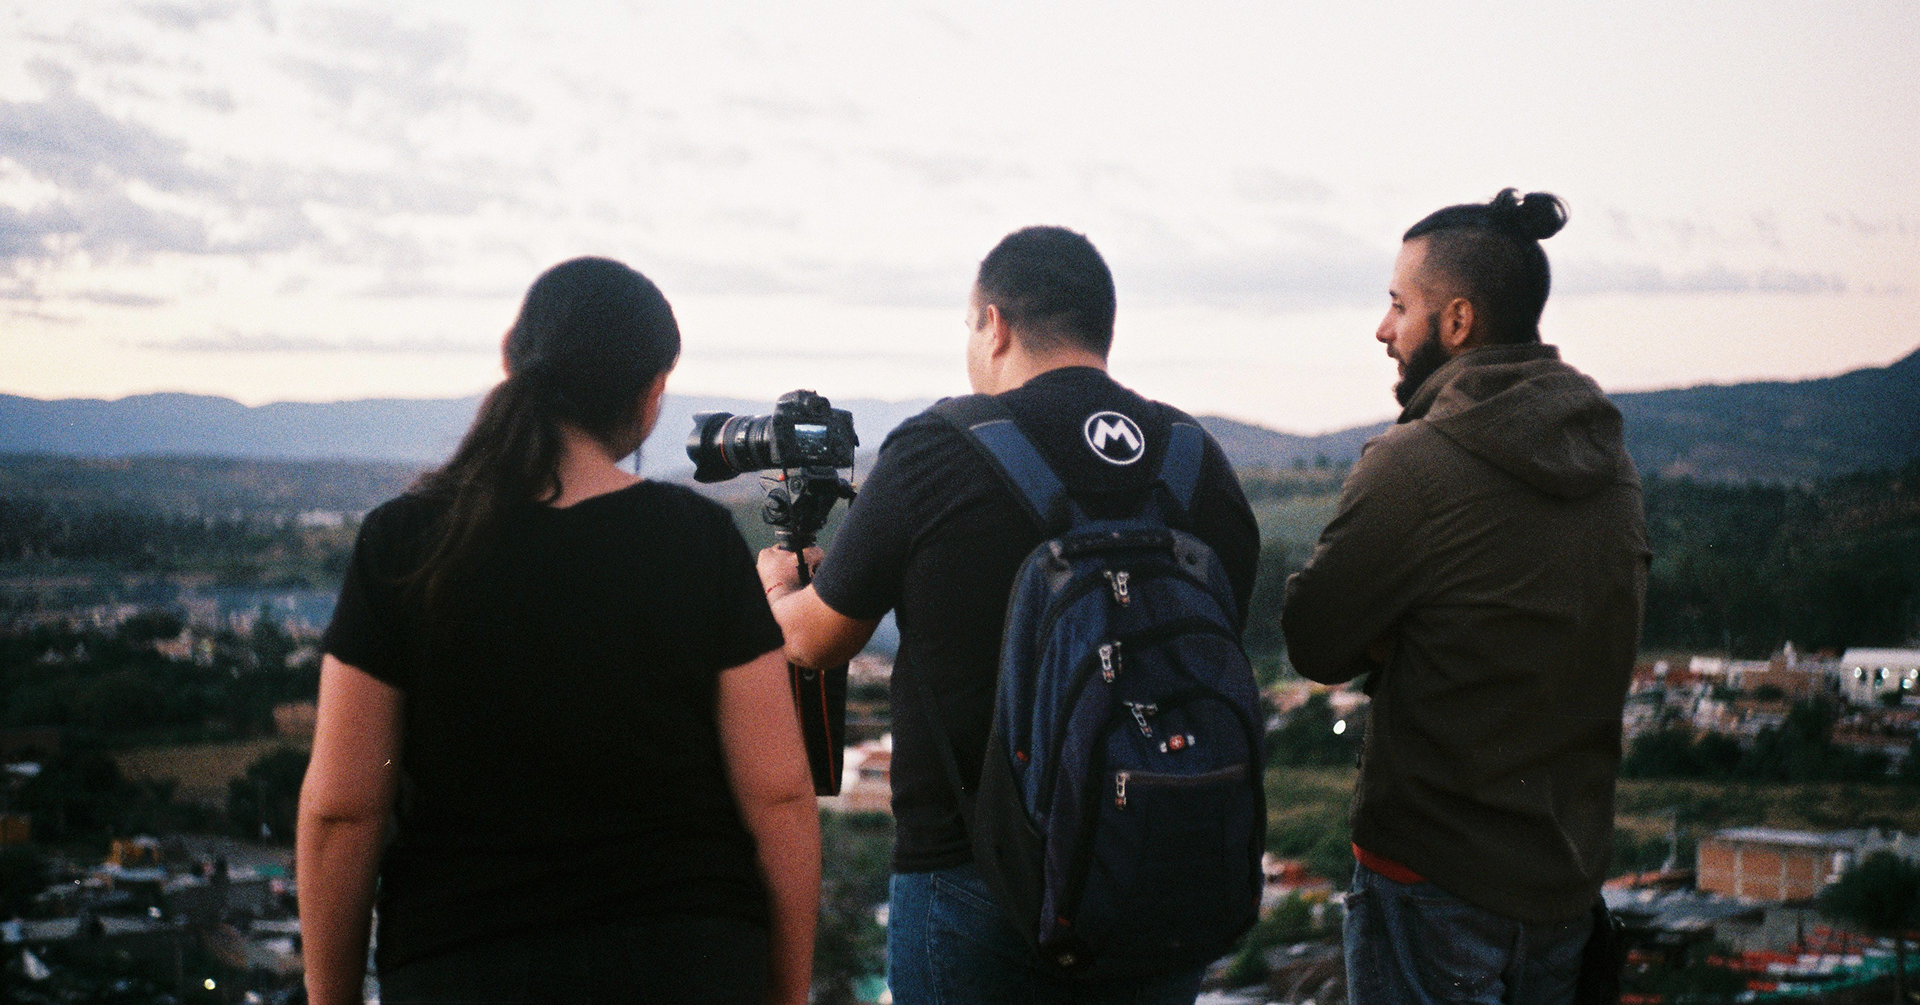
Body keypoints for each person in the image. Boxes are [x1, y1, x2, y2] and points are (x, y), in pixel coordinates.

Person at [757, 226, 1260, 1005]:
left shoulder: (937, 450)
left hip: (973, 879)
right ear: (1103, 325)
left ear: (994, 322)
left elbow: (816, 641)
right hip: (1161, 867)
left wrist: (777, 586)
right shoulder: (1197, 460)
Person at [297, 257, 819, 1005]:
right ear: (652, 394)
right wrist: (787, 995)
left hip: (465, 964)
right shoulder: (696, 541)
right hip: (688, 960)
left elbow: (343, 810)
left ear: (512, 362)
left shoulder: (404, 543)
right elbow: (779, 796)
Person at [1281, 190, 1648, 1005]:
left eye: (1397, 305)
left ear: (1456, 323)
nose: (1383, 330)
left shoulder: (1414, 465)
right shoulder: (1612, 468)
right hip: (1565, 885)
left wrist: (1399, 633)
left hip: (1429, 882)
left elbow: (1312, 640)